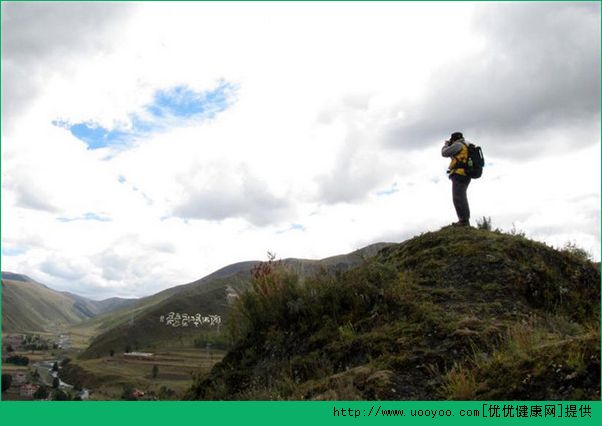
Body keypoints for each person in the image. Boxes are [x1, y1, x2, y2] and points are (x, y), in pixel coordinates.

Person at [441, 131, 471, 227]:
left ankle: (463, 221)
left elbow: (444, 153)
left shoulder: (458, 145)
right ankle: (464, 220)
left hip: (459, 174)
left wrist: (446, 145)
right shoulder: (466, 144)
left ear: (453, 139)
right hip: (466, 174)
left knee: (458, 197)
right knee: (461, 196)